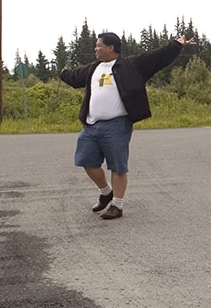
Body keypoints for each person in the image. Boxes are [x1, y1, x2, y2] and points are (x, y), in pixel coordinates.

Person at [58, 31, 196, 220]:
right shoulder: (93, 68)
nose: (95, 48)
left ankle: (117, 205)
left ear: (110, 47)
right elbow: (74, 77)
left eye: (99, 45)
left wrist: (177, 45)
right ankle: (106, 192)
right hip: (91, 125)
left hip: (117, 125)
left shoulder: (132, 65)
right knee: (86, 161)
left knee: (118, 165)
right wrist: (63, 73)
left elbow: (157, 57)